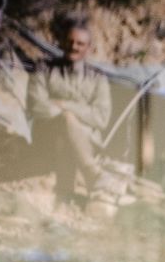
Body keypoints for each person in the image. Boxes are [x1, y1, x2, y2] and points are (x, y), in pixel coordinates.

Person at [27, 11, 111, 206]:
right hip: (47, 133)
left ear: (88, 48)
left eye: (80, 44)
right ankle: (92, 174)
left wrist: (65, 106)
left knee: (67, 126)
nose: (74, 47)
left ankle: (64, 200)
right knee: (65, 123)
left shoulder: (98, 78)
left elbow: (101, 118)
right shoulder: (44, 69)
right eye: (70, 41)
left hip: (87, 139)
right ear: (62, 42)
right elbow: (36, 105)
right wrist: (69, 115)